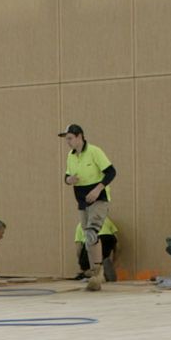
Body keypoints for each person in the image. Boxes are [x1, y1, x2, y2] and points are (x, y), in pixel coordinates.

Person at [59, 123, 116, 291]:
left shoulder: (95, 152)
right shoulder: (70, 156)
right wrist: (68, 180)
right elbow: (67, 175)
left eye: (70, 138)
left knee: (92, 232)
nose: (68, 142)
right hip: (82, 200)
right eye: (66, 139)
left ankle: (97, 273)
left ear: (79, 136)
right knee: (87, 237)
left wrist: (98, 189)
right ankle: (97, 270)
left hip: (98, 198)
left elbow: (111, 172)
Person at [73, 217, 119, 282]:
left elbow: (79, 248)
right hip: (108, 239)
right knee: (102, 257)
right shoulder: (106, 219)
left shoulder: (81, 225)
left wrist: (81, 263)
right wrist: (115, 257)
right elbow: (116, 239)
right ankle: (103, 267)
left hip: (94, 240)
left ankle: (89, 274)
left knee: (85, 265)